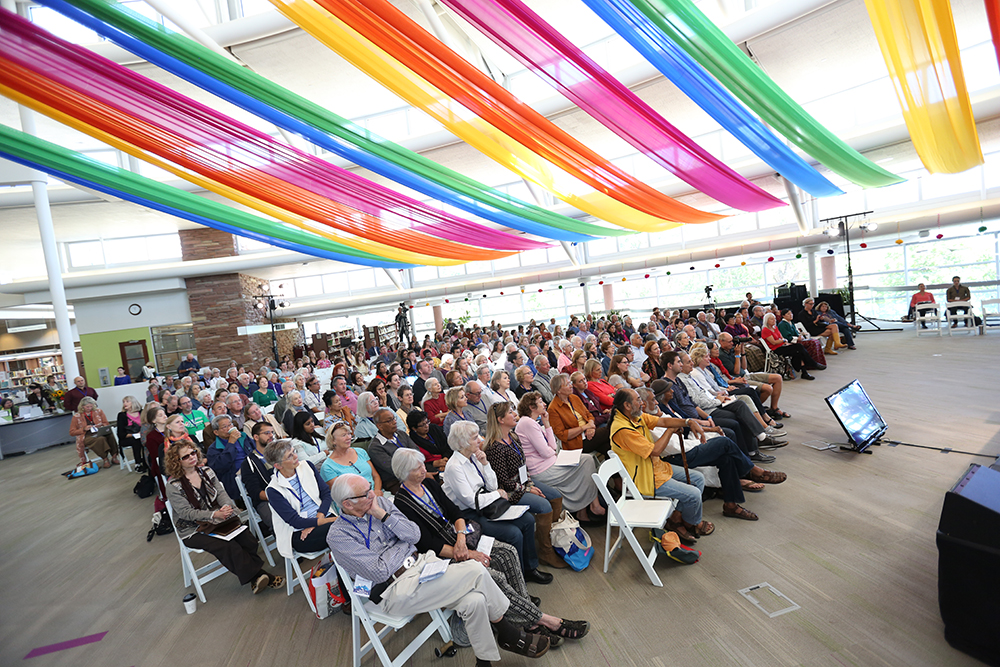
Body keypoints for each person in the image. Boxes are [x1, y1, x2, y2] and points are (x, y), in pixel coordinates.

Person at [328, 474, 552, 667]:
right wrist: (402, 545)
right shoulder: (338, 536)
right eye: (365, 494)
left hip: (423, 563)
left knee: (474, 601)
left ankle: (484, 662)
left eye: (370, 488)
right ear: (348, 504)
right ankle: (508, 632)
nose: (373, 494)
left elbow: (414, 535)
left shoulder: (381, 505)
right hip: (394, 589)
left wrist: (384, 517)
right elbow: (379, 571)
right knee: (475, 570)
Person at [392, 449, 589, 644]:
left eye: (422, 465)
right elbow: (427, 544)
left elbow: (455, 512)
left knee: (508, 552)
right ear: (403, 473)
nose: (423, 470)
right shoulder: (402, 503)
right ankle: (548, 621)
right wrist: (469, 553)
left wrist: (461, 538)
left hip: (461, 538)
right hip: (443, 555)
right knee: (493, 575)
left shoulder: (428, 483)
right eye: (417, 468)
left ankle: (529, 622)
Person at [164, 443, 283, 594]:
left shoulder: (206, 471)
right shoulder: (173, 485)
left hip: (218, 519)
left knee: (247, 538)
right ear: (176, 461)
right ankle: (261, 575)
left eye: (193, 453)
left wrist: (226, 506)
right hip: (193, 528)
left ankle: (255, 577)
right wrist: (213, 515)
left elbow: (221, 493)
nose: (192, 457)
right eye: (186, 456)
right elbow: (186, 513)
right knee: (227, 546)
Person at [442, 421, 552, 584]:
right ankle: (518, 580)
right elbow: (473, 502)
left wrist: (485, 464)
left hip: (487, 505)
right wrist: (497, 494)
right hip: (469, 515)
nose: (480, 440)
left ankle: (530, 568)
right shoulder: (454, 466)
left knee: (528, 520)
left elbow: (492, 486)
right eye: (474, 438)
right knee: (513, 533)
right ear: (462, 442)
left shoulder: (474, 457)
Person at [608, 387, 715, 543]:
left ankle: (677, 519)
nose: (642, 403)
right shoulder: (622, 429)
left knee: (698, 478)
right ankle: (692, 522)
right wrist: (670, 431)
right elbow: (656, 451)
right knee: (693, 494)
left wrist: (688, 422)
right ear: (627, 405)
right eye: (638, 400)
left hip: (655, 468)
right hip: (645, 478)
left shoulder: (634, 417)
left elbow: (663, 421)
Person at [483, 400, 566, 569]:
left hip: (523, 483)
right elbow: (503, 482)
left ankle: (549, 539)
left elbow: (523, 464)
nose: (515, 415)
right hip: (509, 491)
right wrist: (527, 488)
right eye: (510, 412)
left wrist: (529, 483)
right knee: (544, 506)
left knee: (556, 496)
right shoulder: (494, 448)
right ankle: (546, 552)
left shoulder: (512, 436)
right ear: (500, 419)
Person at [514, 392, 605, 526]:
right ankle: (591, 506)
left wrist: (547, 423)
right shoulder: (527, 423)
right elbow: (546, 452)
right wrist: (552, 452)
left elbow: (552, 447)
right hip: (542, 470)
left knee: (586, 460)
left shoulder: (533, 422)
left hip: (551, 462)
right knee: (586, 462)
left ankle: (585, 509)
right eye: (540, 402)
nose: (544, 404)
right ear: (532, 407)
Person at [264, 439, 338, 557]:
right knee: (343, 528)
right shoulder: (273, 490)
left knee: (344, 530)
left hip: (323, 516)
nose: (295, 456)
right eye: (290, 456)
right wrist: (332, 520)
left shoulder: (307, 466)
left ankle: (348, 567)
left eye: (294, 451)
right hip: (299, 533)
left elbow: (325, 494)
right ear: (278, 465)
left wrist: (318, 519)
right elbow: (295, 522)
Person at [547, 373, 605, 454]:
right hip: (577, 443)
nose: (571, 386)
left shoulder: (574, 398)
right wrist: (585, 427)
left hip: (589, 434)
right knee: (610, 429)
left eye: (570, 383)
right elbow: (562, 435)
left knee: (608, 447)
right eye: (567, 384)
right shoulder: (553, 409)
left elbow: (589, 415)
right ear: (558, 390)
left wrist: (590, 427)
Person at [367, 407, 423, 493]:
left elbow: (416, 452)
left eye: (394, 418)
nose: (394, 422)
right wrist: (417, 472)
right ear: (379, 426)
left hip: (416, 472)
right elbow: (394, 468)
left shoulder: (401, 434)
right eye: (389, 420)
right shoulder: (375, 447)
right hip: (395, 482)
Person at [320, 421, 382, 495]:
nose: (349, 438)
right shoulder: (327, 467)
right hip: (354, 499)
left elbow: (376, 476)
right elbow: (341, 493)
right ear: (333, 440)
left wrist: (377, 491)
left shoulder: (360, 452)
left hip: (376, 494)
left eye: (349, 434)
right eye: (344, 435)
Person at [239, 421, 277, 530]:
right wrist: (278, 496)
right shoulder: (248, 463)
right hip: (266, 500)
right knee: (279, 521)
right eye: (267, 433)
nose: (271, 435)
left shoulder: (279, 453)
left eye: (272, 432)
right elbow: (255, 492)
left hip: (289, 492)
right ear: (256, 437)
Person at [206, 414, 253, 501]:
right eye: (224, 427)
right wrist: (231, 443)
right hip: (235, 478)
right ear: (216, 432)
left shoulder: (243, 436)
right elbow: (220, 467)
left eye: (230, 424)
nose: (229, 428)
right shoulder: (213, 449)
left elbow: (255, 450)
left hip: (253, 469)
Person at [761, 313, 816, 379]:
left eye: (775, 318)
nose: (774, 320)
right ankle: (811, 363)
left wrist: (784, 342)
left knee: (799, 352)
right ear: (767, 320)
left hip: (782, 346)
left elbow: (781, 338)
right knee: (799, 346)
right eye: (771, 319)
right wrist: (783, 340)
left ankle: (804, 372)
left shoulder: (775, 328)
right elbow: (774, 342)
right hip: (775, 349)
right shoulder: (765, 330)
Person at [70, 396, 118, 467]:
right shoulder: (76, 417)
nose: (89, 408)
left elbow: (106, 423)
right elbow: (72, 432)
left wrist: (100, 426)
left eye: (91, 406)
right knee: (100, 439)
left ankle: (114, 456)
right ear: (82, 406)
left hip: (100, 431)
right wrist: (83, 429)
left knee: (111, 436)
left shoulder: (99, 411)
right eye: (87, 407)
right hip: (86, 435)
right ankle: (105, 458)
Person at [116, 395, 145, 472]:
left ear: (133, 402)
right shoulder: (122, 415)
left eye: (127, 401)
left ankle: (147, 461)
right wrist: (134, 434)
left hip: (142, 435)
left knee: (147, 439)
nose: (125, 403)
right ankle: (138, 464)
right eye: (123, 402)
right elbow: (121, 434)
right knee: (137, 441)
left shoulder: (142, 412)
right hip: (128, 437)